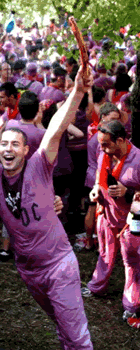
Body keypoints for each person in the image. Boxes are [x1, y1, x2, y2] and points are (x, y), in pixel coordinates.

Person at [0, 67, 94, 349]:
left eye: (15, 144)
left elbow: (55, 130)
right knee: (62, 324)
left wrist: (77, 91)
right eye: (4, 143)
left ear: (26, 150)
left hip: (58, 266)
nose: (8, 149)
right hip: (28, 271)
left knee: (77, 336)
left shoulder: (39, 165)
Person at [81, 120, 140, 327]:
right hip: (106, 213)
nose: (102, 148)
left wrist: (128, 192)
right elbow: (99, 178)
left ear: (121, 141)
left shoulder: (138, 159)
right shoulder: (104, 154)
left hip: (130, 224)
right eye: (100, 143)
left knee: (131, 264)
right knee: (105, 253)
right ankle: (97, 286)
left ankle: (131, 305)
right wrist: (96, 190)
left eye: (106, 144)